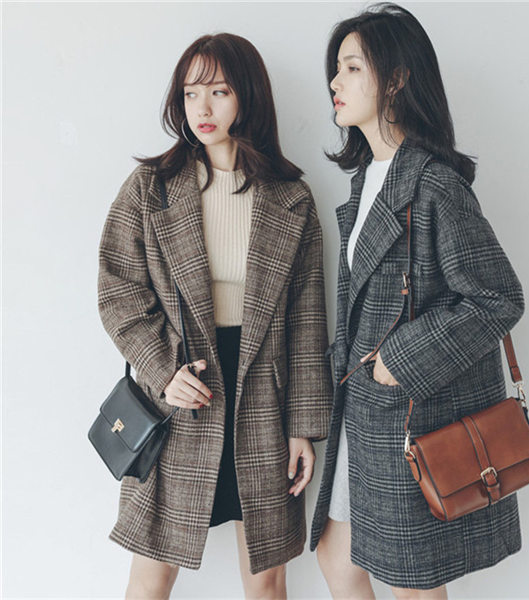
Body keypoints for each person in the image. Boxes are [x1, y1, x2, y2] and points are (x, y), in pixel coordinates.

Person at [98, 32, 332, 599]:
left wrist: (302, 427)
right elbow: (118, 291)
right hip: (182, 394)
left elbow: (307, 323)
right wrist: (162, 370)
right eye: (190, 93)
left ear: (248, 96)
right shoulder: (151, 189)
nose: (202, 107)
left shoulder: (291, 198)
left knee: (267, 579)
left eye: (219, 92)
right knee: (151, 576)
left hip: (263, 398)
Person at [310, 4, 525, 599]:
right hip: (363, 417)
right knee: (337, 559)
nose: (335, 81)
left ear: (397, 79)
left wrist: (400, 359)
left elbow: (498, 298)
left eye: (353, 67)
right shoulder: (366, 181)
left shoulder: (433, 184)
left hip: (412, 420)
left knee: (412, 585)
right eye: (337, 68)